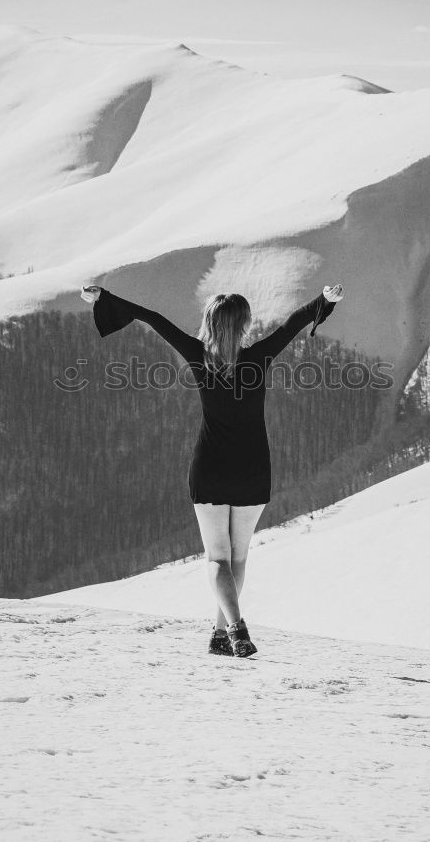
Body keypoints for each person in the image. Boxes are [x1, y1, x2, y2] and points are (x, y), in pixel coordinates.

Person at [81, 280, 344, 657]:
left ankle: (232, 629)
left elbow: (152, 318)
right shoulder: (259, 357)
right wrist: (325, 300)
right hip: (253, 470)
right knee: (238, 557)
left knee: (217, 558)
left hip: (211, 470)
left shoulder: (197, 354)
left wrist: (103, 299)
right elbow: (293, 323)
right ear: (244, 325)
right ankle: (222, 634)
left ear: (209, 322)